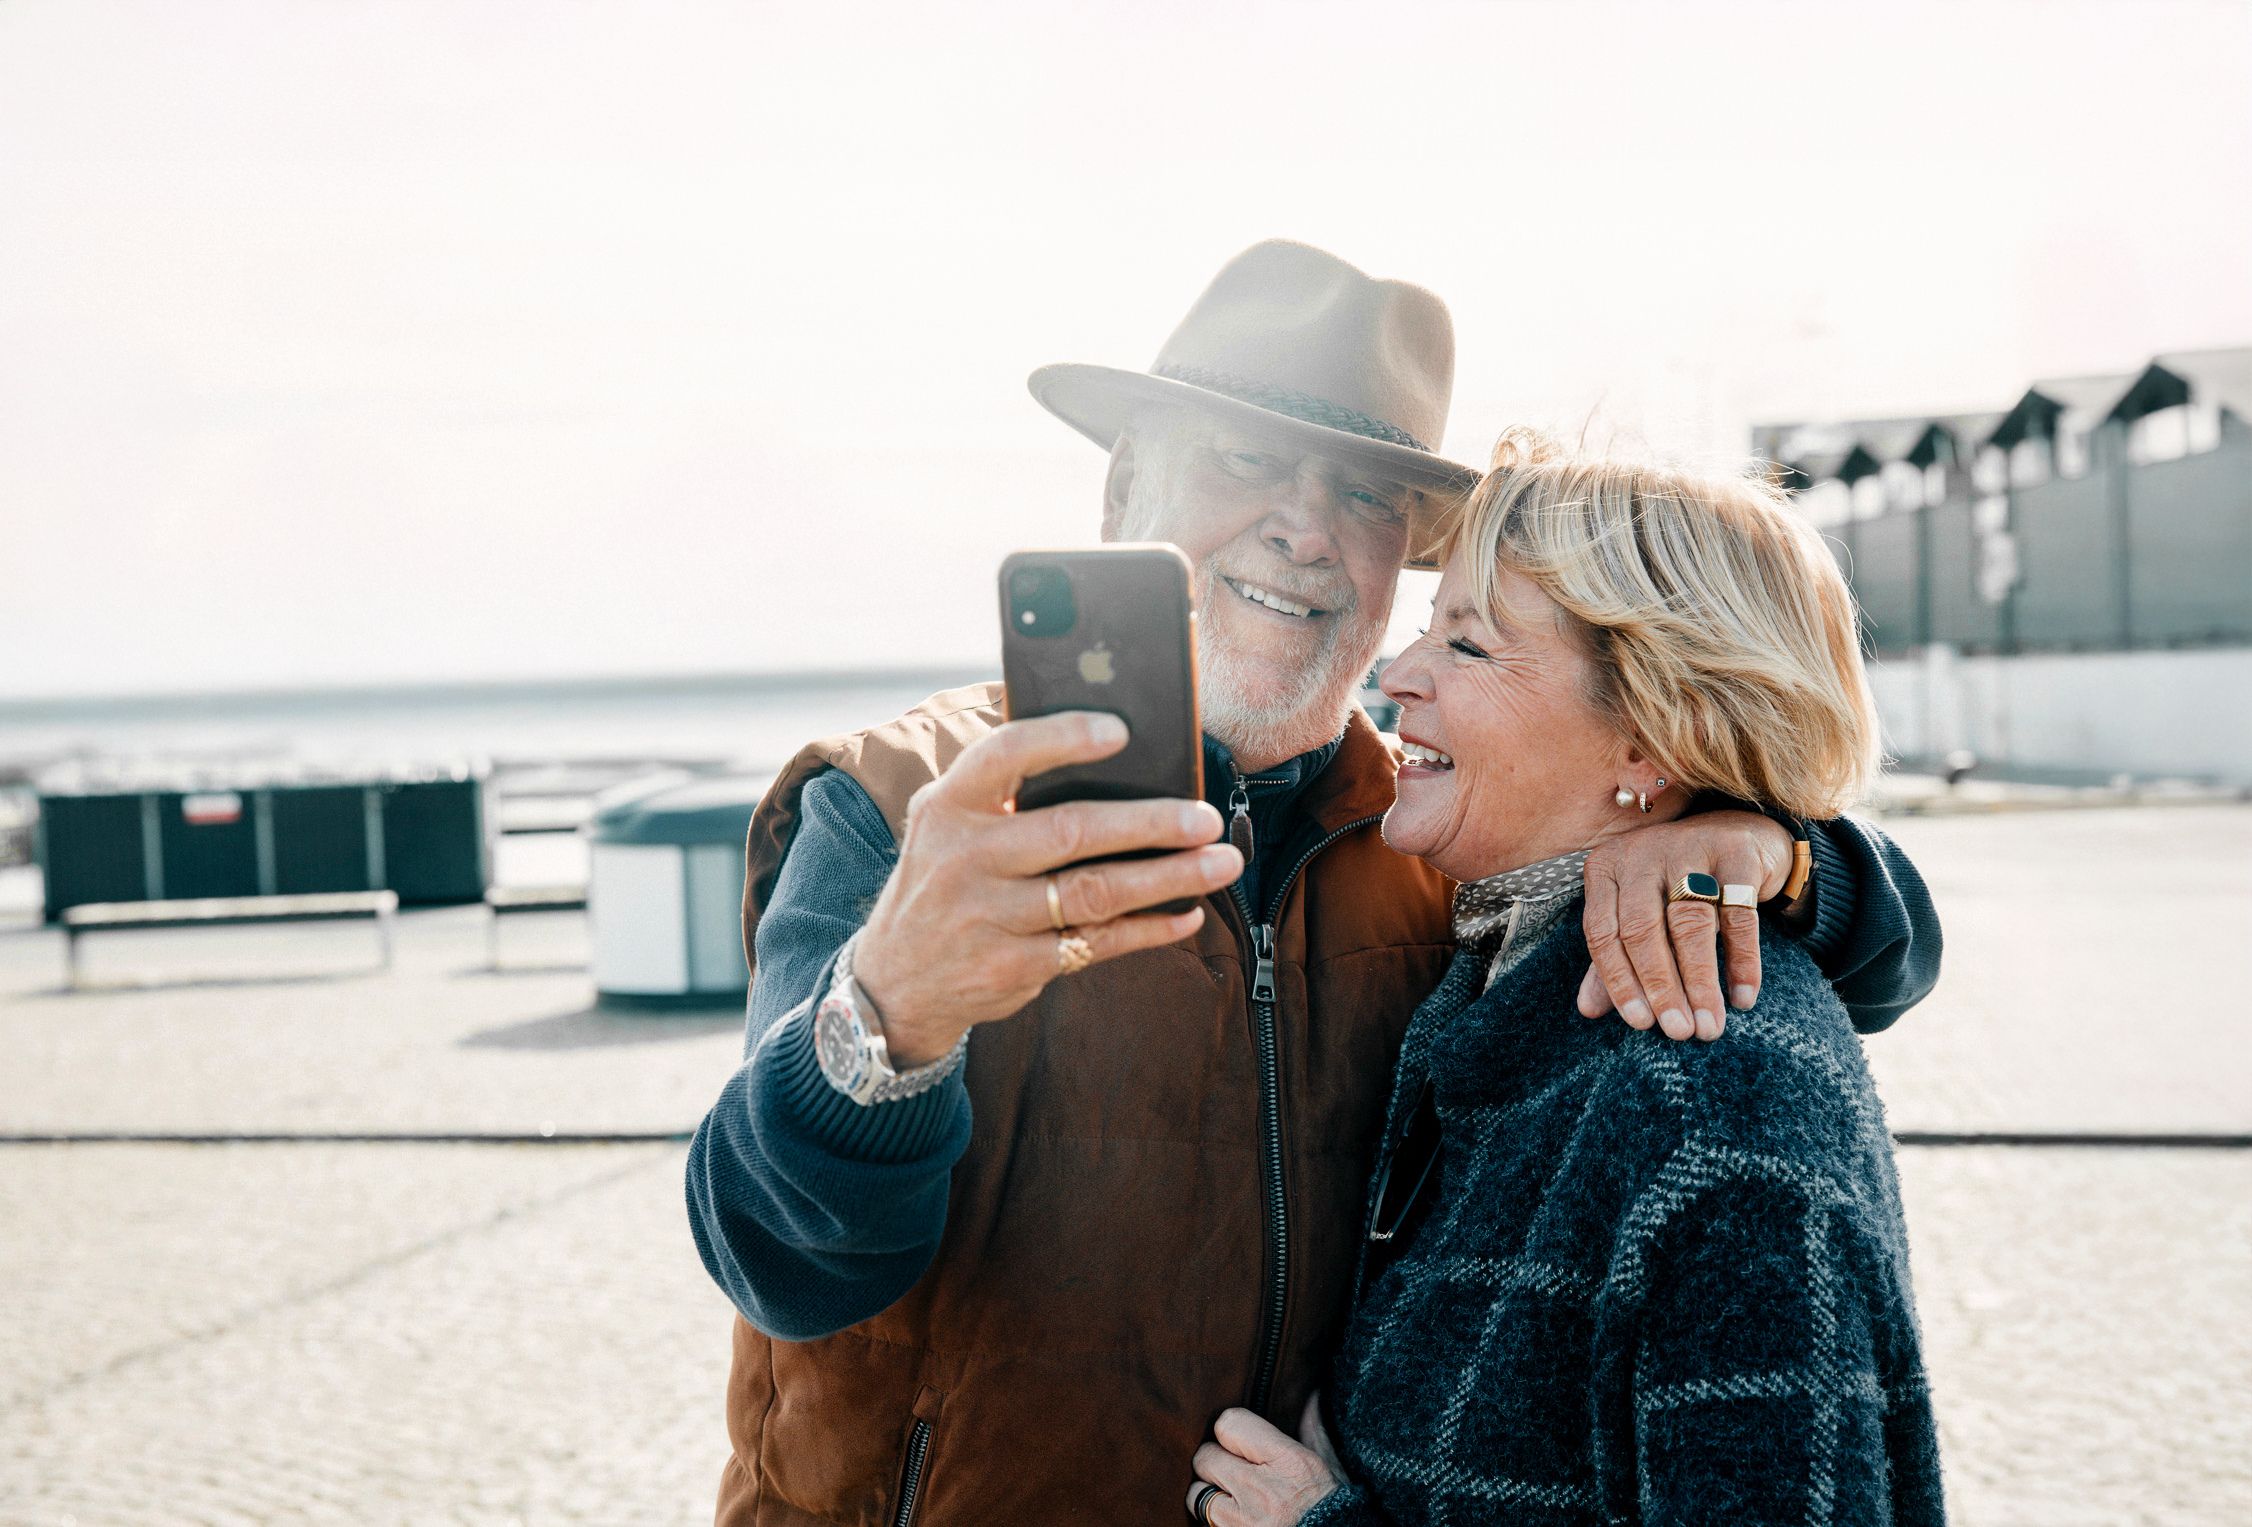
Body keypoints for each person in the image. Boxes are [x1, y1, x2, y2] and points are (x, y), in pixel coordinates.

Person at [684, 241, 1941, 1525]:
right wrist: (887, 1011)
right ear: (1123, 490)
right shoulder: (909, 811)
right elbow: (775, 1265)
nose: (1305, 526)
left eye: (1364, 493)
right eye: (1242, 461)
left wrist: (1778, 850)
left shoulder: (1438, 845)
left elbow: (1878, 970)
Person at [1187, 434, 1944, 1527]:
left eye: (1470, 646)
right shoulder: (1502, 977)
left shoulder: (1714, 1110)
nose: (1396, 676)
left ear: (1647, 738)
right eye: (1421, 629)